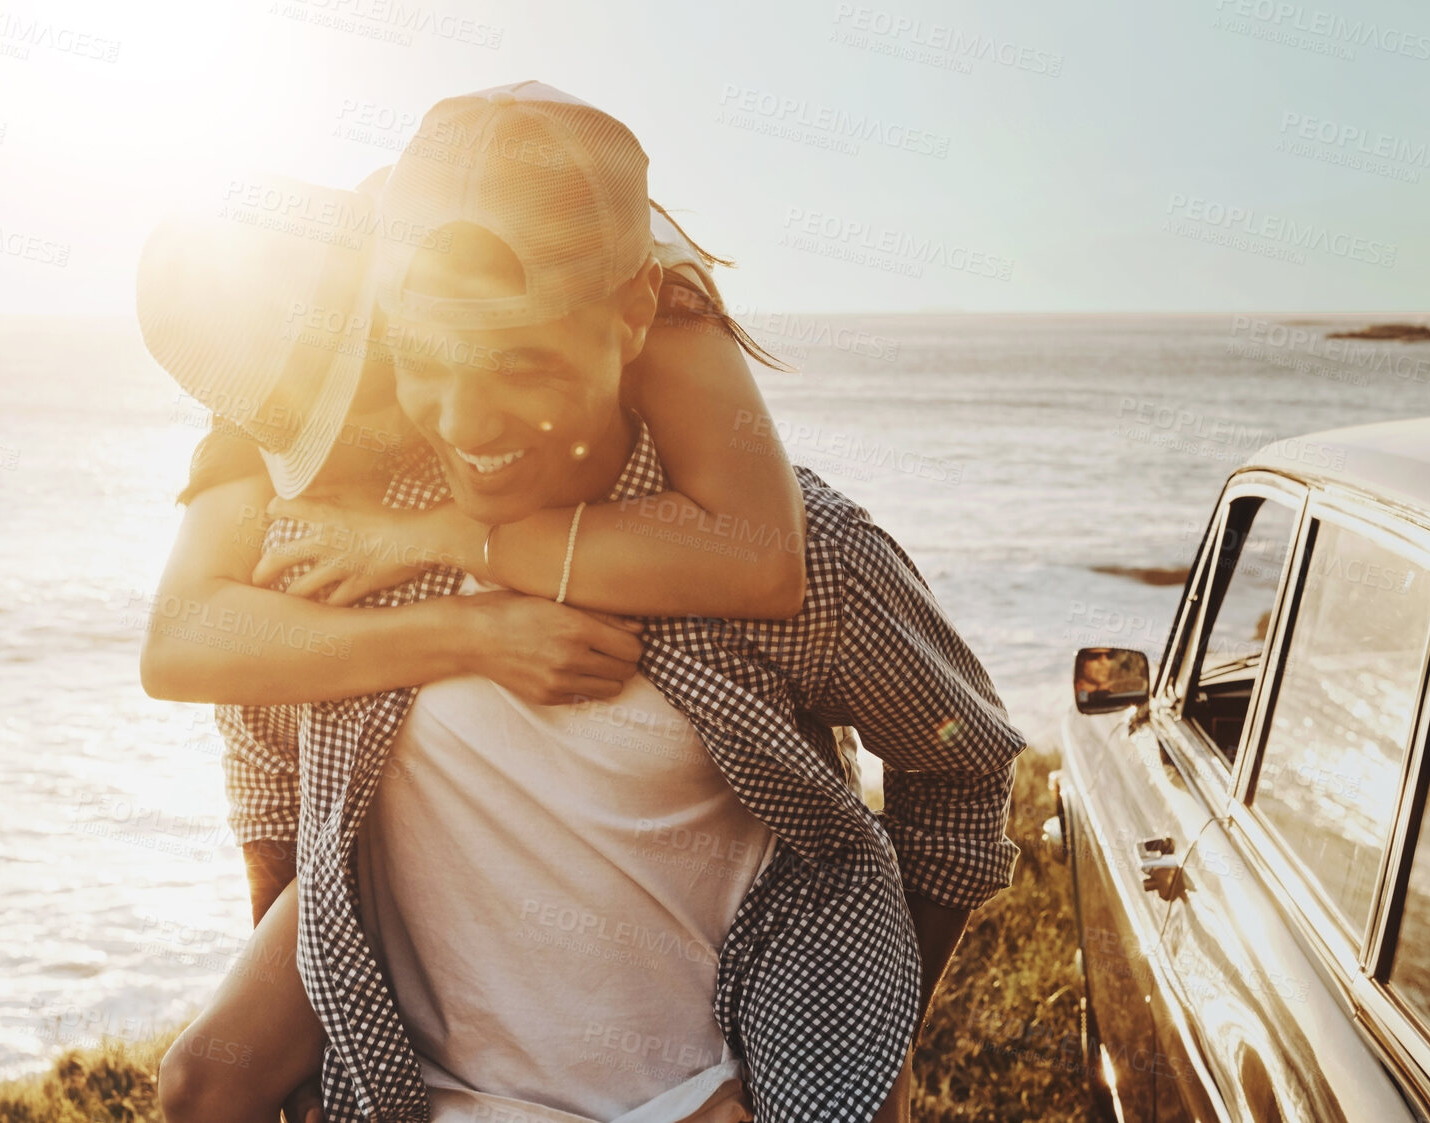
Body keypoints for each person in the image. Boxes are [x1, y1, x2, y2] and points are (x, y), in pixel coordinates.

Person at [151, 81, 1024, 1123]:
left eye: (519, 361)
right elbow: (258, 735)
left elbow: (959, 767)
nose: (464, 419)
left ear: (631, 323)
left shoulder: (780, 546)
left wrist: (850, 1059)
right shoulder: (341, 521)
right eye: (425, 361)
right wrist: (314, 1016)